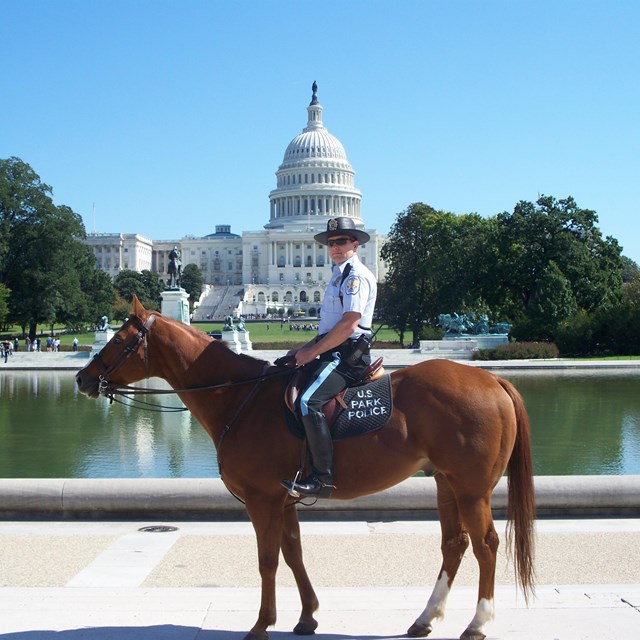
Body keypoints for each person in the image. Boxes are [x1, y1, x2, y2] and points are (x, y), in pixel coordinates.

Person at [281, 217, 377, 498]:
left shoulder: (355, 277)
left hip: (347, 356)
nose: (335, 247)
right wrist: (302, 349)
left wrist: (312, 352)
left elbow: (349, 324)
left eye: (342, 241)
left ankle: (322, 478)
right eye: (331, 243)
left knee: (309, 400)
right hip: (333, 348)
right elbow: (328, 328)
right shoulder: (338, 274)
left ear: (355, 244)